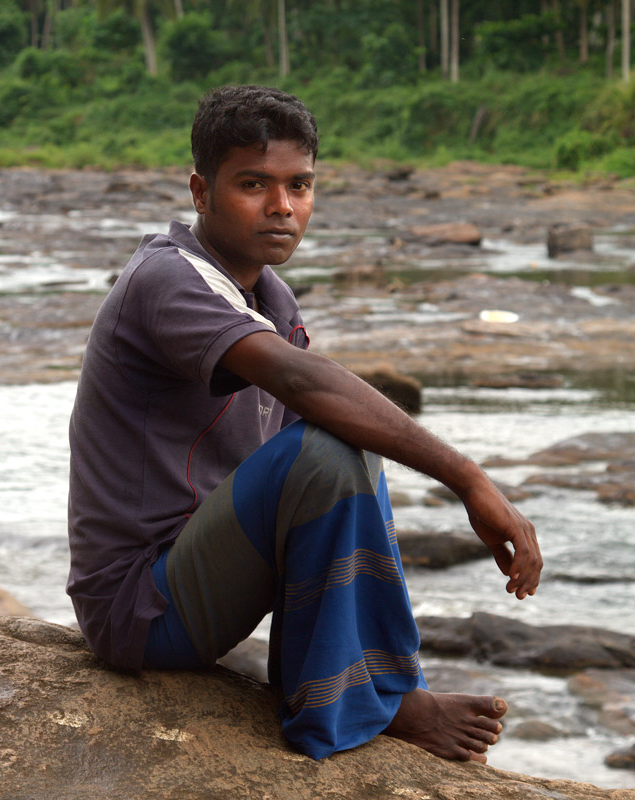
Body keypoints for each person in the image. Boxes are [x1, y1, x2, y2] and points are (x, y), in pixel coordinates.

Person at [66, 85, 542, 762]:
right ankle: (367, 698)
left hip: (204, 573)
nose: (282, 207)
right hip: (140, 605)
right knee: (327, 443)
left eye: (300, 186)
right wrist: (467, 478)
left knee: (340, 442)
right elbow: (302, 384)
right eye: (253, 184)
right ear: (201, 192)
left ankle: (362, 686)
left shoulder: (266, 292)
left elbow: (320, 437)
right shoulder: (167, 279)